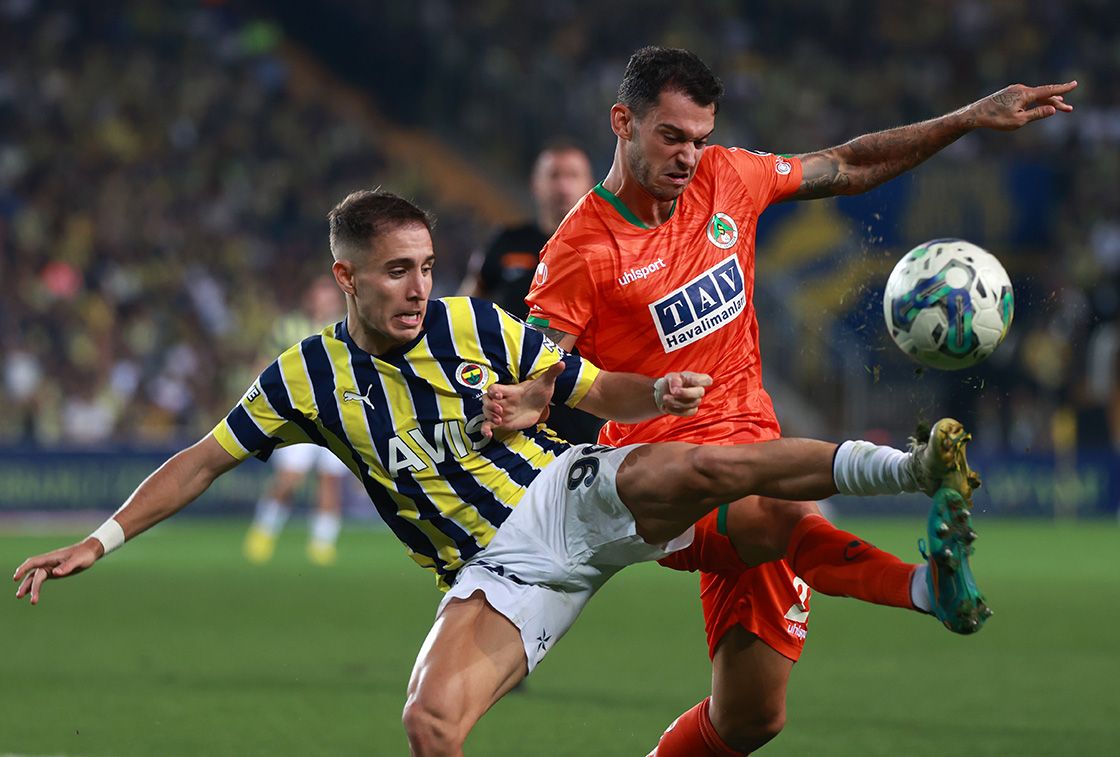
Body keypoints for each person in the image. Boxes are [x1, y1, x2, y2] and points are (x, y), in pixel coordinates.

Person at [14, 190, 973, 756]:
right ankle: (919, 564)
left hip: (565, 498)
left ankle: (907, 469)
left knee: (730, 484)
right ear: (347, 277)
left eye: (426, 265)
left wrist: (654, 392)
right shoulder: (303, 378)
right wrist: (100, 539)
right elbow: (202, 459)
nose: (418, 287)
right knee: (430, 723)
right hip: (497, 572)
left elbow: (589, 389)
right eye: (396, 270)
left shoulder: (475, 324)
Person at [524, 46, 1073, 755]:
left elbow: (848, 165)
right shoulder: (579, 248)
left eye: (700, 138)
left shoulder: (727, 178)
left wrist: (967, 118)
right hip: (662, 481)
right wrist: (512, 414)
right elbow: (540, 377)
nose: (688, 156)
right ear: (623, 122)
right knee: (786, 509)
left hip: (756, 444)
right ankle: (924, 580)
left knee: (751, 716)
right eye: (671, 136)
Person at [460, 140, 604, 445]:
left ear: (589, 184)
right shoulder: (507, 241)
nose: (563, 186)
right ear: (535, 184)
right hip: (512, 391)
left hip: (586, 394)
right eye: (553, 175)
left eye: (572, 175)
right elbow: (467, 305)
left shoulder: (607, 246)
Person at [243, 276, 349, 566]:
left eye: (330, 296)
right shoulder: (288, 327)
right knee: (289, 479)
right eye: (320, 295)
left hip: (337, 418)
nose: (325, 301)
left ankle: (322, 543)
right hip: (297, 416)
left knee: (330, 481)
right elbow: (264, 363)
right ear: (311, 298)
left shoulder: (348, 327)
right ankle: (264, 531)